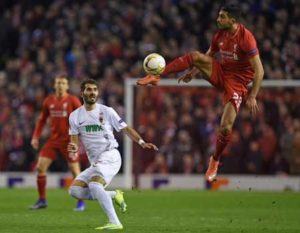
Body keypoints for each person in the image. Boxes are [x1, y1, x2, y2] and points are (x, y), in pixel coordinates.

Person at [137, 2, 264, 182]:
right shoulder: (219, 34)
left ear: (233, 20)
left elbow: (259, 70)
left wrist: (252, 96)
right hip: (222, 73)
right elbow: (209, 55)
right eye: (218, 16)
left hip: (238, 83)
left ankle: (215, 160)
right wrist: (194, 71)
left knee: (226, 126)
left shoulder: (246, 38)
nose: (217, 19)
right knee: (196, 56)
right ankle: (156, 75)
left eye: (222, 17)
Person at [68, 79, 158, 230]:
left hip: (110, 156)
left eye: (95, 90)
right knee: (74, 191)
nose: (92, 92)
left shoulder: (107, 111)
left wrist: (142, 142)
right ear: (82, 93)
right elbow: (74, 141)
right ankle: (113, 194)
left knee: (95, 185)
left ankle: (115, 222)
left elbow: (126, 129)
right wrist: (73, 148)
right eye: (89, 90)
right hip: (96, 161)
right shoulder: (74, 116)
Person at [30, 75, 86, 211]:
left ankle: (81, 202)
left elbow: (83, 118)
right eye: (58, 83)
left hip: (69, 141)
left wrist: (83, 137)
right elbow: (42, 120)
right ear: (54, 85)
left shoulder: (73, 100)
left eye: (63, 83)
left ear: (67, 86)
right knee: (40, 167)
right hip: (53, 140)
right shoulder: (48, 101)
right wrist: (35, 136)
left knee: (75, 171)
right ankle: (42, 200)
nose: (60, 85)